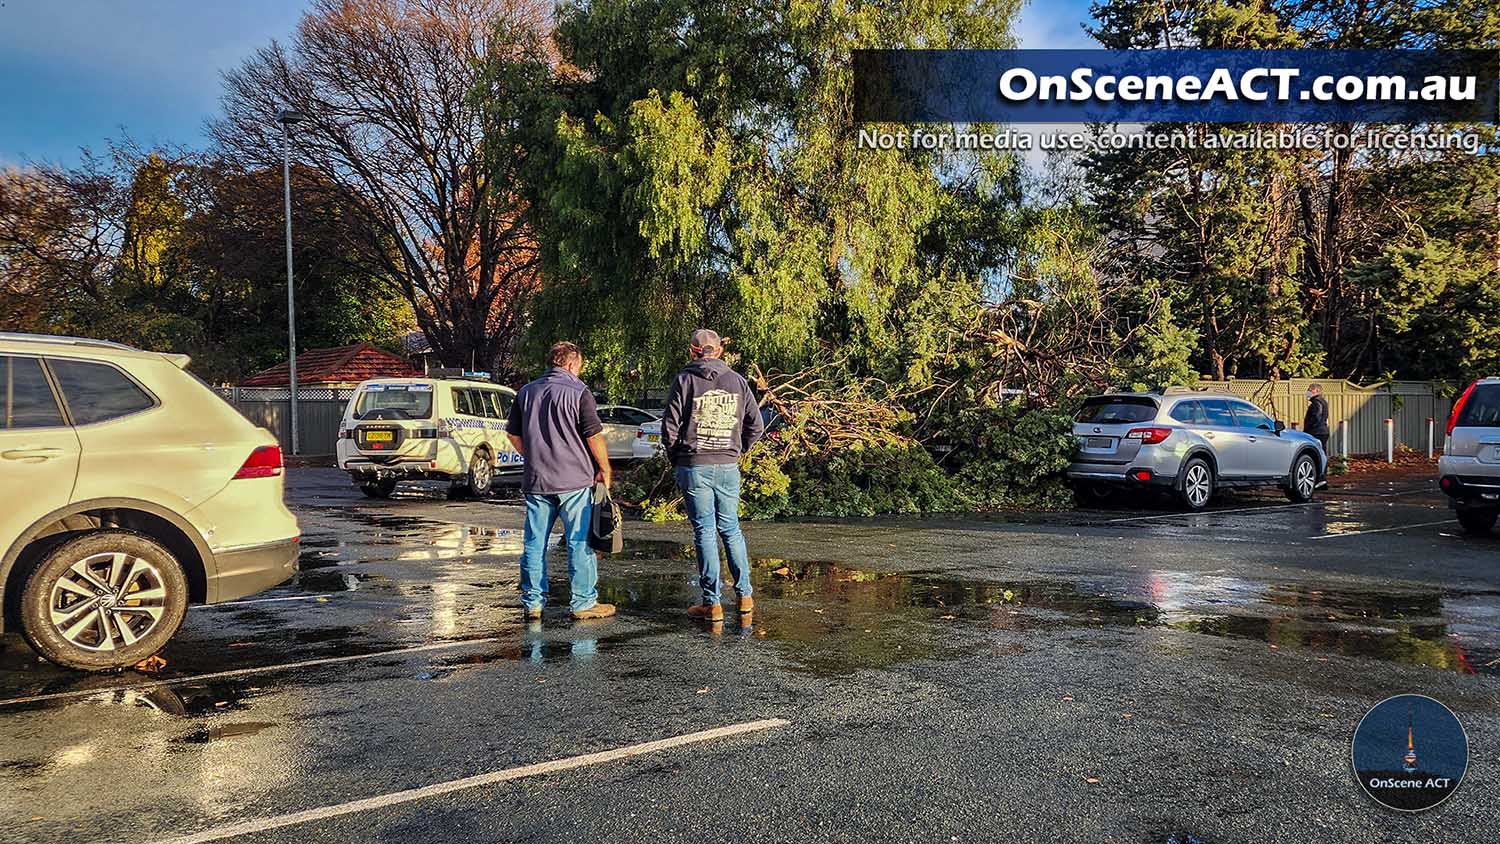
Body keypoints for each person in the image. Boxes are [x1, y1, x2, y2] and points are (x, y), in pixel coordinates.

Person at [506, 342, 616, 621]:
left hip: (537, 479)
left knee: (534, 542)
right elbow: (593, 436)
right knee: (579, 541)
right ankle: (583, 603)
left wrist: (533, 455)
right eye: (579, 367)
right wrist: (604, 468)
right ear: (570, 365)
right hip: (574, 480)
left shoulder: (526, 392)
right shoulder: (579, 392)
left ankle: (533, 603)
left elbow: (514, 436)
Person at [661, 328, 765, 621]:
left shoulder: (684, 380)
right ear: (719, 351)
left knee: (705, 531)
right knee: (731, 529)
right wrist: (736, 450)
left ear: (693, 351)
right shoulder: (738, 381)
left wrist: (677, 457)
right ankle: (745, 596)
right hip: (728, 464)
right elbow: (755, 425)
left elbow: (669, 426)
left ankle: (712, 603)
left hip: (694, 464)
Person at [1304, 383, 1331, 453]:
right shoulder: (1322, 401)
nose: (1308, 392)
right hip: (1322, 431)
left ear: (1317, 391)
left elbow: (1317, 416)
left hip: (1316, 432)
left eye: (1310, 390)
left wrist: (1308, 428)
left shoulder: (1316, 402)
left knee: (1315, 452)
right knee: (1321, 452)